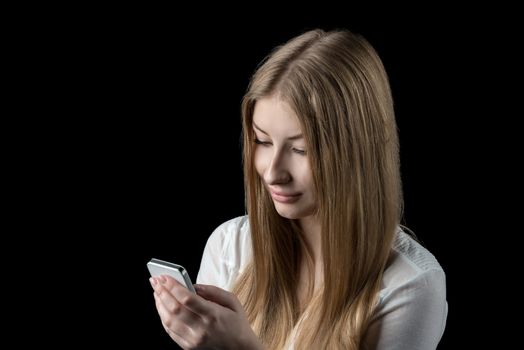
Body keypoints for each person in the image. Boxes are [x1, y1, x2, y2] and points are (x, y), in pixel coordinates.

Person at [149, 28, 448, 349]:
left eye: (301, 149)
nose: (273, 173)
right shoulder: (230, 247)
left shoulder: (410, 286)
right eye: (262, 141)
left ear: (358, 151)